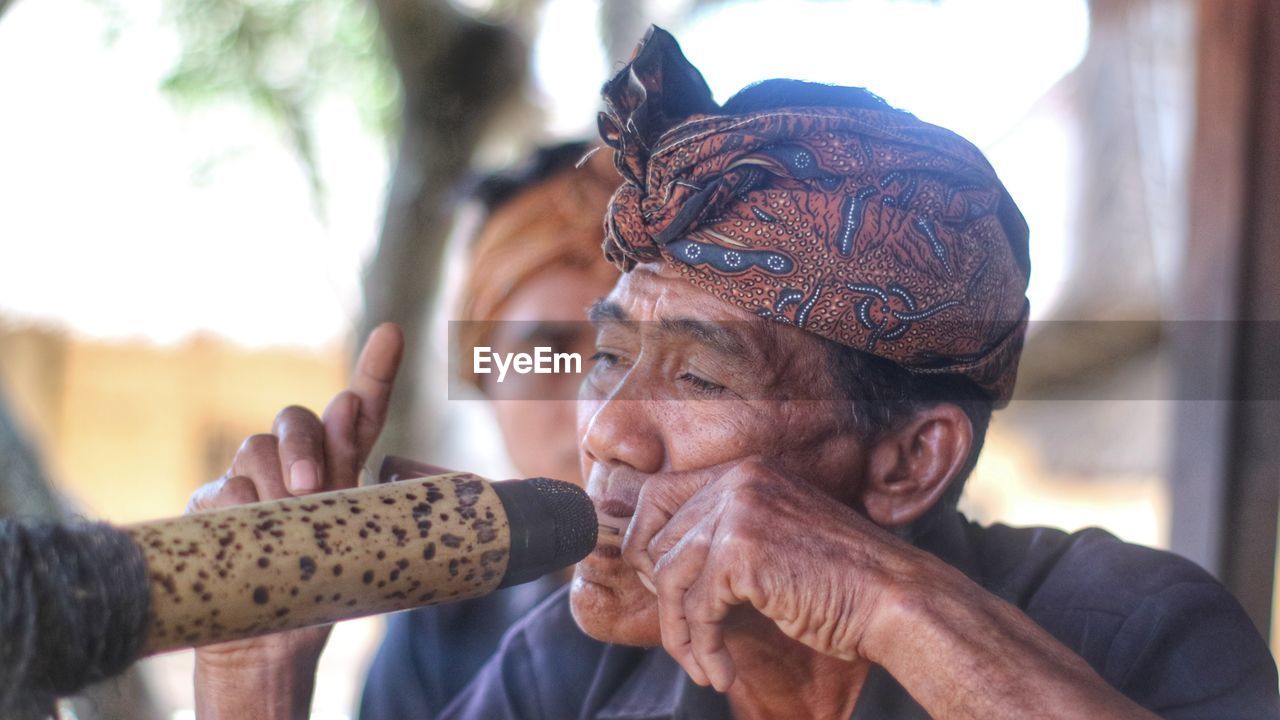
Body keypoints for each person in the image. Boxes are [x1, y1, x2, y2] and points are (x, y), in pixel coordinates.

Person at [191, 27, 1279, 720]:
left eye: (702, 382)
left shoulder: (1126, 627)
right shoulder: (575, 668)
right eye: (607, 357)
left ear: (907, 462)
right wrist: (254, 678)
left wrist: (884, 599)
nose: (607, 429)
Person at [358, 141, 619, 718]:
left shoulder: (787, 611)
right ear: (487, 382)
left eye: (623, 357)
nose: (596, 410)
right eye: (544, 355)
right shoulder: (438, 638)